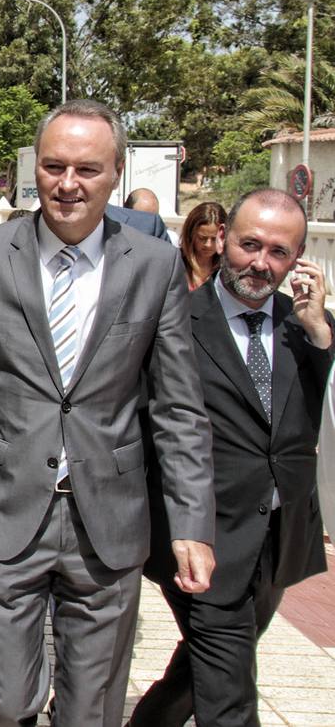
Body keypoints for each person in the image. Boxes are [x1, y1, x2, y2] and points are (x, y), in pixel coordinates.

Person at [0, 99, 216, 727]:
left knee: (93, 710)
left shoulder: (155, 265)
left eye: (87, 169)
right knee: (6, 703)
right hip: (1, 513)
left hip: (107, 520)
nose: (68, 184)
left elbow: (179, 408)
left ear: (116, 174)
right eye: (54, 166)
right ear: (36, 171)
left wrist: (191, 522)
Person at [130, 189, 331, 727]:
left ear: (298, 257)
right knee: (229, 691)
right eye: (250, 245)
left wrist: (319, 334)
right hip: (202, 537)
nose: (261, 263)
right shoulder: (174, 323)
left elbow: (305, 417)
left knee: (211, 664)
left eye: (279, 252)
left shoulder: (304, 324)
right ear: (222, 239)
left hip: (278, 535)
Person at [179, 201, 227, 292]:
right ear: (190, 234)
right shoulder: (177, 263)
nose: (208, 245)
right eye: (202, 238)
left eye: (214, 239)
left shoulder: (226, 268)